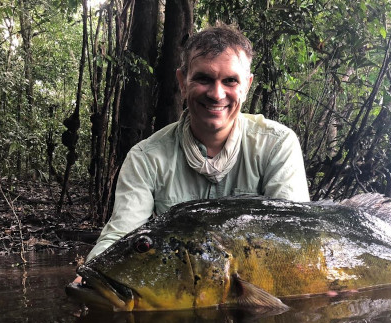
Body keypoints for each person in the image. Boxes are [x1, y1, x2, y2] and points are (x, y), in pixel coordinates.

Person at [86, 23, 309, 262]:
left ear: (247, 86)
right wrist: (91, 275)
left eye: (230, 81)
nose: (216, 94)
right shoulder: (146, 157)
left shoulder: (276, 145)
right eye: (203, 78)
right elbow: (120, 236)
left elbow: (294, 237)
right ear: (182, 82)